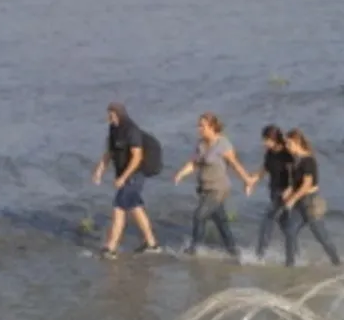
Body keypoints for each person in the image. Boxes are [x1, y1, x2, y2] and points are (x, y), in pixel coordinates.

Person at [174, 112, 253, 258]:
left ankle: (193, 250)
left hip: (219, 189)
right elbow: (194, 163)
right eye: (199, 126)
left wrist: (247, 181)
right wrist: (181, 174)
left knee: (199, 216)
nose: (199, 128)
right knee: (221, 223)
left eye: (202, 126)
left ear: (212, 127)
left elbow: (235, 164)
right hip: (205, 189)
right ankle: (234, 253)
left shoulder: (223, 144)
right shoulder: (201, 144)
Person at [91, 102, 161, 259]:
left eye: (111, 115)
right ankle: (152, 244)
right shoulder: (114, 129)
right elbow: (109, 152)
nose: (109, 118)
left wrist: (123, 178)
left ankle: (111, 247)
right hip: (126, 174)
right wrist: (99, 170)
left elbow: (137, 157)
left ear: (119, 114)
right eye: (109, 115)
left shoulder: (131, 130)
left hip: (136, 173)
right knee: (134, 206)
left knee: (119, 206)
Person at [280, 128, 341, 267]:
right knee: (290, 231)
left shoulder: (308, 161)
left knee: (321, 236)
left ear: (297, 143)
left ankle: (337, 262)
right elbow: (297, 184)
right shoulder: (296, 161)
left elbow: (307, 185)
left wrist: (293, 199)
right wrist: (289, 191)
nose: (287, 147)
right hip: (300, 202)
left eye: (289, 144)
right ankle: (290, 264)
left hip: (310, 202)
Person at [247, 125, 295, 261]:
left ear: (274, 139)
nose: (264, 143)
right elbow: (265, 168)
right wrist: (252, 181)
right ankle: (293, 254)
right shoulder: (269, 153)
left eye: (266, 140)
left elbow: (294, 172)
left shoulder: (287, 154)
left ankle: (259, 255)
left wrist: (290, 189)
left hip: (285, 193)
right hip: (274, 191)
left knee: (267, 220)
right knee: (285, 224)